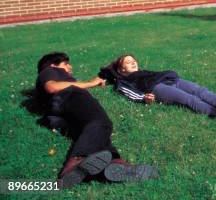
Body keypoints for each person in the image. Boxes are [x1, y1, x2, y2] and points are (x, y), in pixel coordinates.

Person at [36, 52, 158, 188]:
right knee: (101, 123)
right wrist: (91, 83)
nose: (70, 67)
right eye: (66, 64)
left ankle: (111, 165)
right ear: (53, 65)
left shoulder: (56, 77)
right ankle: (76, 162)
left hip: (60, 112)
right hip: (68, 97)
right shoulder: (49, 71)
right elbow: (51, 86)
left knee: (92, 132)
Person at [99, 54, 216, 121]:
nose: (133, 62)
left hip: (170, 80)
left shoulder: (142, 72)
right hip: (156, 88)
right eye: (128, 62)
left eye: (133, 60)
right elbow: (129, 93)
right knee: (190, 99)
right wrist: (143, 98)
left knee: (200, 90)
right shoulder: (122, 81)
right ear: (121, 70)